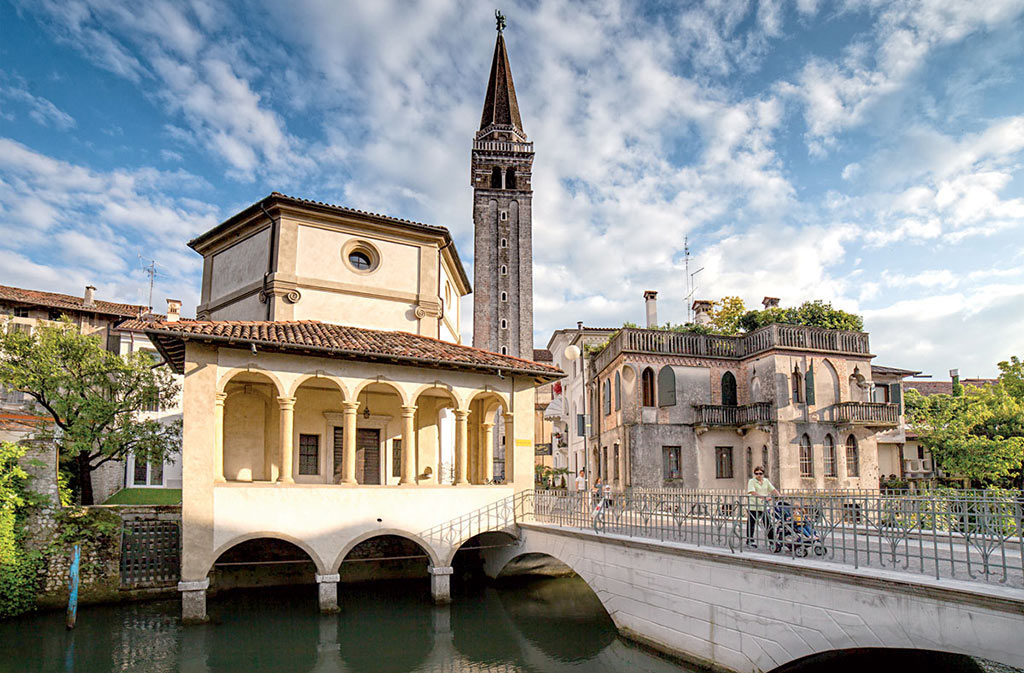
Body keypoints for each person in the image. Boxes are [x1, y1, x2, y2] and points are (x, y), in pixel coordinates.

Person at [746, 466, 779, 548]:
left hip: (764, 506)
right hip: (754, 505)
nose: (758, 475)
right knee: (751, 524)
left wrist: (778, 494)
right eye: (756, 473)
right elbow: (752, 492)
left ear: (763, 474)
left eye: (760, 473)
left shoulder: (766, 481)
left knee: (768, 523)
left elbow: (773, 489)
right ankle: (750, 541)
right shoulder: (752, 481)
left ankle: (772, 541)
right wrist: (763, 497)